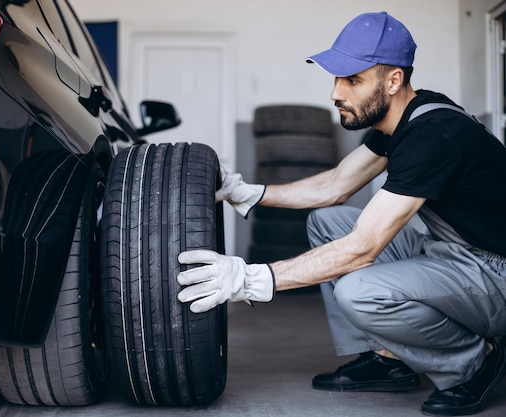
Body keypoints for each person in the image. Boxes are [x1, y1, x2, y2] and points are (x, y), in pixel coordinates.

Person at [176, 11, 506, 416]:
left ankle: (475, 361)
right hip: (454, 253)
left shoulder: (432, 136)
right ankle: (389, 359)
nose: (336, 93)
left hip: (494, 270)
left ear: (393, 80)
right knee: (327, 221)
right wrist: (248, 193)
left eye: (352, 80)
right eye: (336, 79)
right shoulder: (403, 119)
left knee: (360, 289)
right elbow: (335, 186)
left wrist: (252, 279)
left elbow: (363, 249)